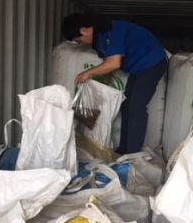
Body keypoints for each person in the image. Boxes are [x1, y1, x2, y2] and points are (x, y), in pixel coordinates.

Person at [62, 13, 167, 154]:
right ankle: (123, 150)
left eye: (79, 40)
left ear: (84, 30)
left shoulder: (110, 30)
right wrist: (103, 83)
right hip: (139, 68)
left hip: (152, 62)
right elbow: (109, 61)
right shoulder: (99, 40)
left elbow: (114, 63)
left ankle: (131, 152)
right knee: (127, 105)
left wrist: (87, 73)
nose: (81, 43)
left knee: (135, 105)